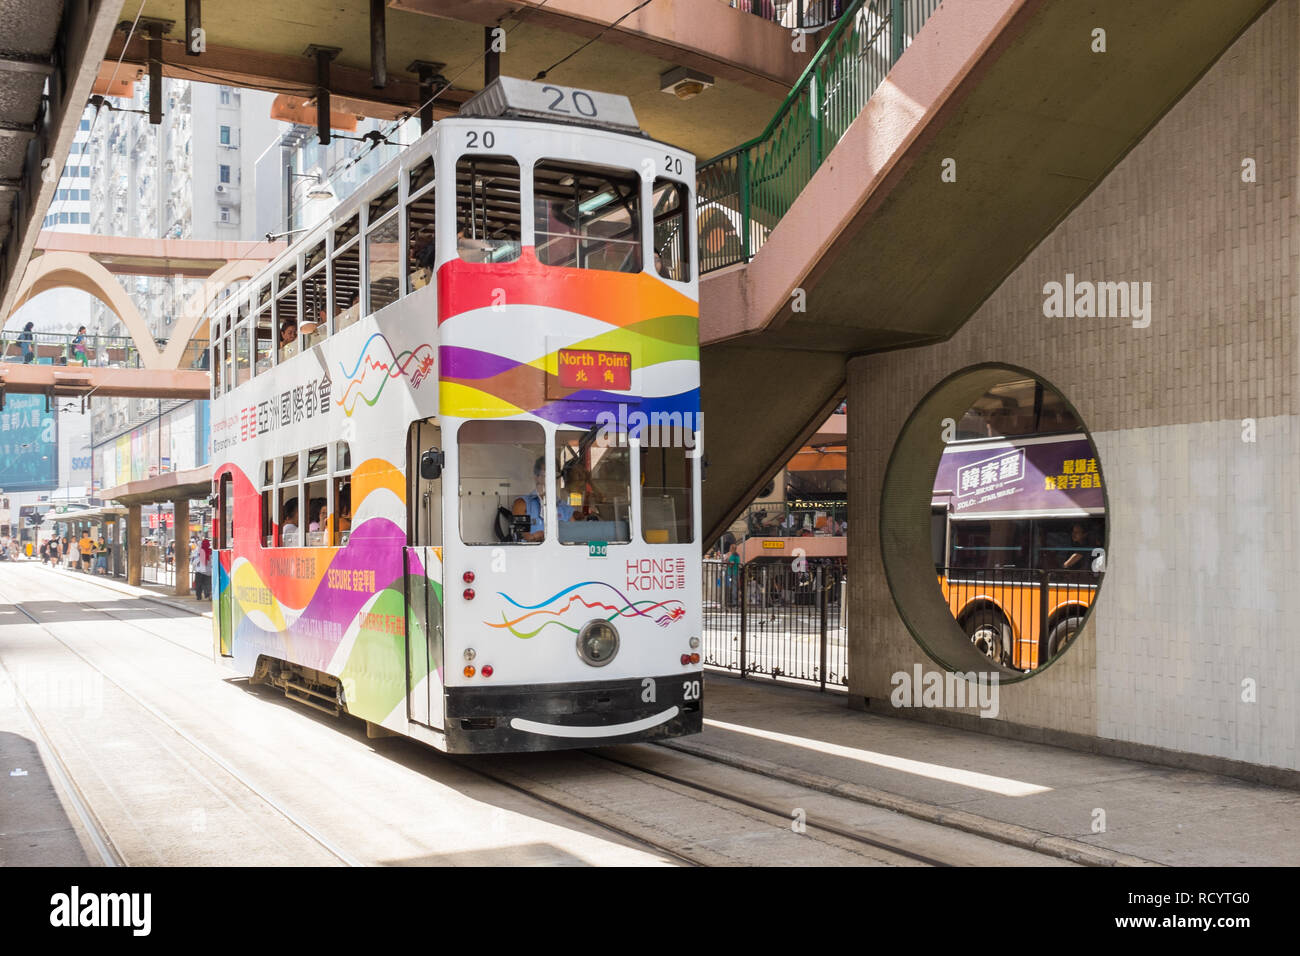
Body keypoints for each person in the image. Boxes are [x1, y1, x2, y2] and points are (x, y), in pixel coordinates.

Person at [512, 456, 551, 542]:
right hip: (529, 554)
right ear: (536, 477)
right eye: (545, 474)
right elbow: (520, 536)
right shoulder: (521, 504)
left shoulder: (562, 506)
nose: (551, 479)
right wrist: (534, 537)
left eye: (554, 474)